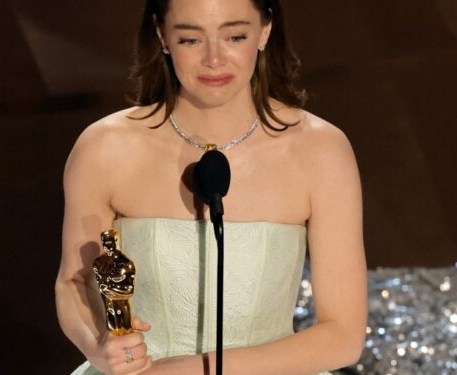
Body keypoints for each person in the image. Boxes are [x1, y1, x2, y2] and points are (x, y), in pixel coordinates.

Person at [55, 0, 367, 374]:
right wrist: (99, 346)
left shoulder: (321, 150)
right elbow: (73, 282)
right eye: (190, 39)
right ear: (162, 35)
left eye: (235, 36)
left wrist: (193, 370)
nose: (214, 59)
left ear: (265, 30)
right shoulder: (104, 147)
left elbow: (343, 335)